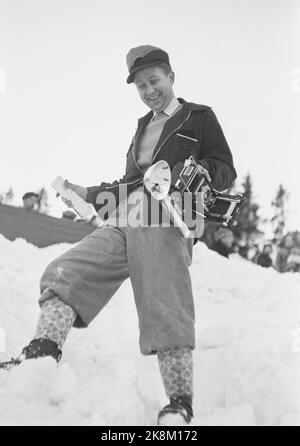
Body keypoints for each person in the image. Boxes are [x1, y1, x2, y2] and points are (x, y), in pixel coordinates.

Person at [3, 46, 237, 425]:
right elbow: (130, 183)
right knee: (66, 272)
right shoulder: (142, 127)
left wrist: (181, 171)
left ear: (171, 77)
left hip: (167, 218)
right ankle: (38, 360)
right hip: (126, 218)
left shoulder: (199, 118)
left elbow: (225, 169)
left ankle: (180, 401)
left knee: (164, 300)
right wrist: (89, 194)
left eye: (155, 81)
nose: (149, 90)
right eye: (141, 85)